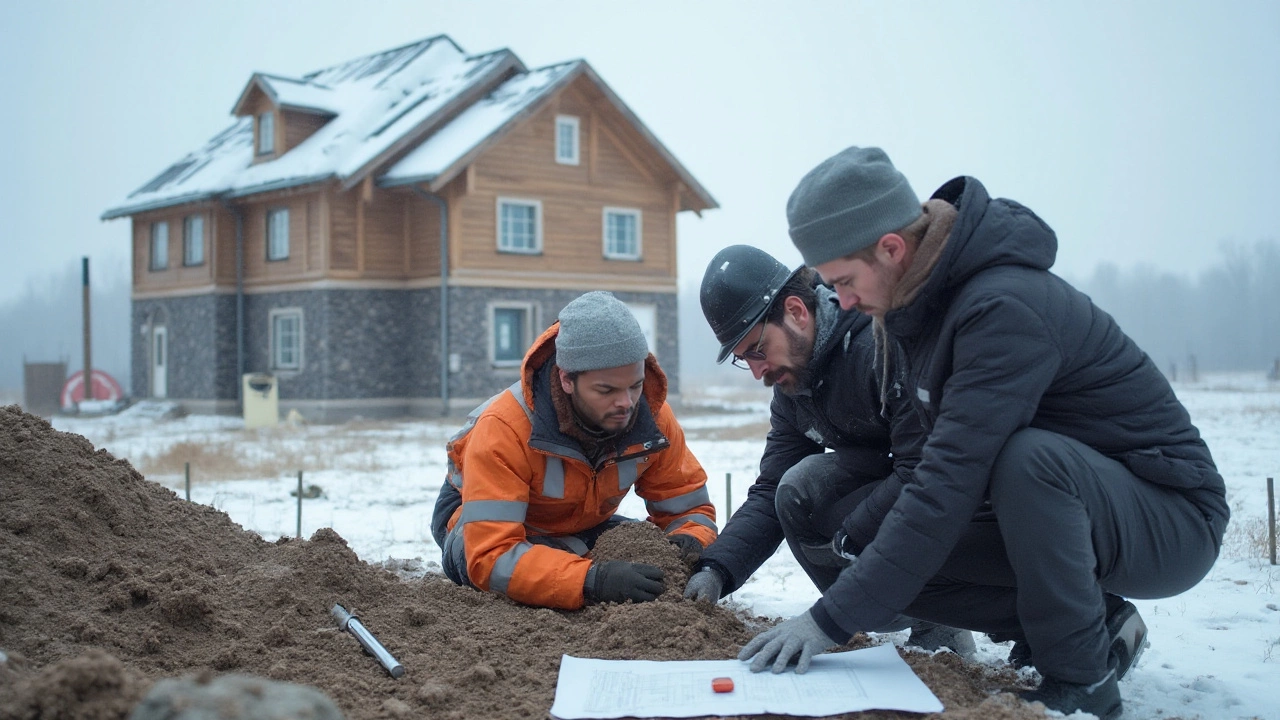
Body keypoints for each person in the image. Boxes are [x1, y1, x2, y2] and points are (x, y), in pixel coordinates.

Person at [738, 146, 1230, 720]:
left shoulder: (1001, 307)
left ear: (892, 249)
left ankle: (1082, 680)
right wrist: (853, 557)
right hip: (1065, 515)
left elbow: (946, 483)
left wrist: (831, 620)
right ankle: (1091, 623)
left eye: (845, 281)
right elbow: (929, 473)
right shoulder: (912, 314)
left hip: (1171, 519)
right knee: (883, 550)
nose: (841, 302)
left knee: (1027, 460)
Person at [687, 244, 973, 657]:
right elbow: (770, 490)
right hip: (895, 496)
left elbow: (925, 473)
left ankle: (961, 619)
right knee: (797, 489)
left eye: (756, 350)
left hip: (963, 500)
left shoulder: (881, 346)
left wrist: (851, 537)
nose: (755, 371)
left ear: (796, 313)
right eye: (742, 359)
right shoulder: (791, 386)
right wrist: (717, 568)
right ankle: (913, 613)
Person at [430, 291, 717, 610]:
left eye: (634, 385)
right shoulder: (505, 429)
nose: (626, 403)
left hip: (577, 522)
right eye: (606, 390)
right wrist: (590, 581)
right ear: (567, 379)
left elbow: (689, 510)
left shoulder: (653, 417)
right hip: (472, 518)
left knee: (641, 549)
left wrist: (686, 545)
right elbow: (490, 554)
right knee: (488, 563)